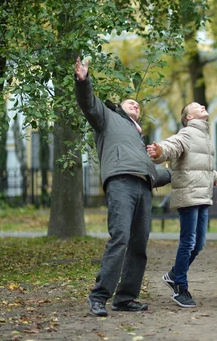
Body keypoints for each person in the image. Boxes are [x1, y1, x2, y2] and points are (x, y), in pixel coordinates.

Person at [74, 57, 172, 317]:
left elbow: (155, 174)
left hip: (143, 188)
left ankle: (125, 298)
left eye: (138, 104)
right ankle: (99, 296)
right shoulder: (107, 118)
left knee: (139, 245)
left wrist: (177, 173)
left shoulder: (140, 140)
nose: (135, 104)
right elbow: (88, 103)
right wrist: (83, 81)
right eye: (130, 101)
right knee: (120, 239)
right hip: (120, 183)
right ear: (119, 107)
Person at [147, 102, 217, 308]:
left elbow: (197, 165)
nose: (203, 105)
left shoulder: (205, 137)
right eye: (197, 106)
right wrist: (160, 151)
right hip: (188, 196)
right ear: (189, 117)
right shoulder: (187, 133)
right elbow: (171, 146)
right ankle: (180, 287)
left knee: (199, 244)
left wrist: (213, 176)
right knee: (188, 242)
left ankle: (173, 274)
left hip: (202, 196)